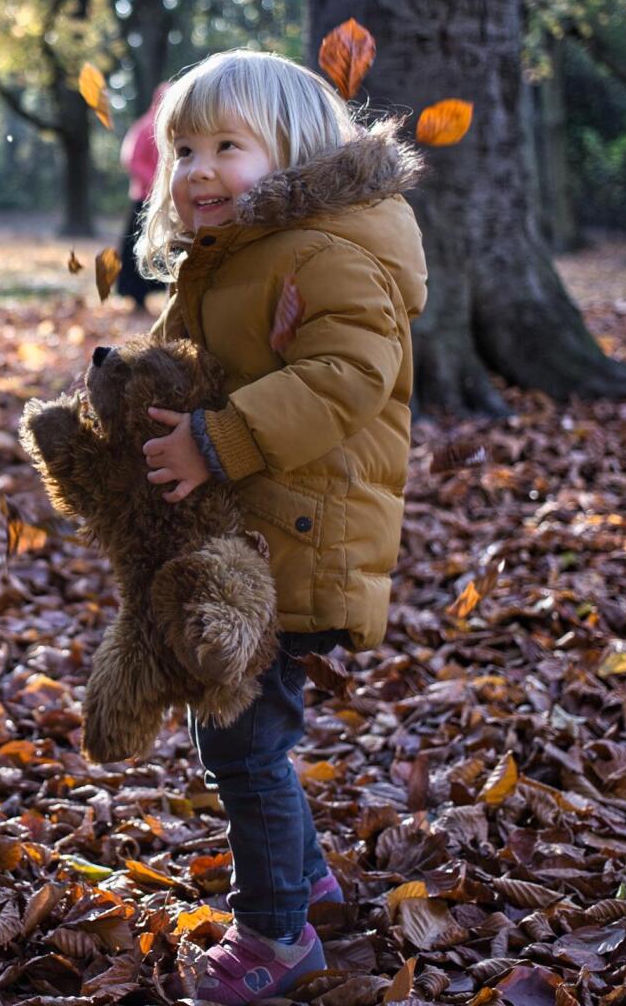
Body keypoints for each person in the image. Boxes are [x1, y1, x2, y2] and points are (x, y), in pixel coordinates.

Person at [132, 49, 428, 1004]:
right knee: (244, 731)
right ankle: (304, 883)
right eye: (183, 149)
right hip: (256, 536)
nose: (199, 170)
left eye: (227, 145)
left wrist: (216, 441)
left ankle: (276, 935)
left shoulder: (324, 255)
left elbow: (347, 378)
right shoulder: (243, 257)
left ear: (293, 152)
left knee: (241, 741)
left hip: (298, 537)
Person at [116, 83, 170, 314]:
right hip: (145, 199)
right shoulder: (145, 126)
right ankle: (136, 295)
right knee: (138, 248)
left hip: (168, 201)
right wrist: (156, 182)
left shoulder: (174, 129)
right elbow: (131, 160)